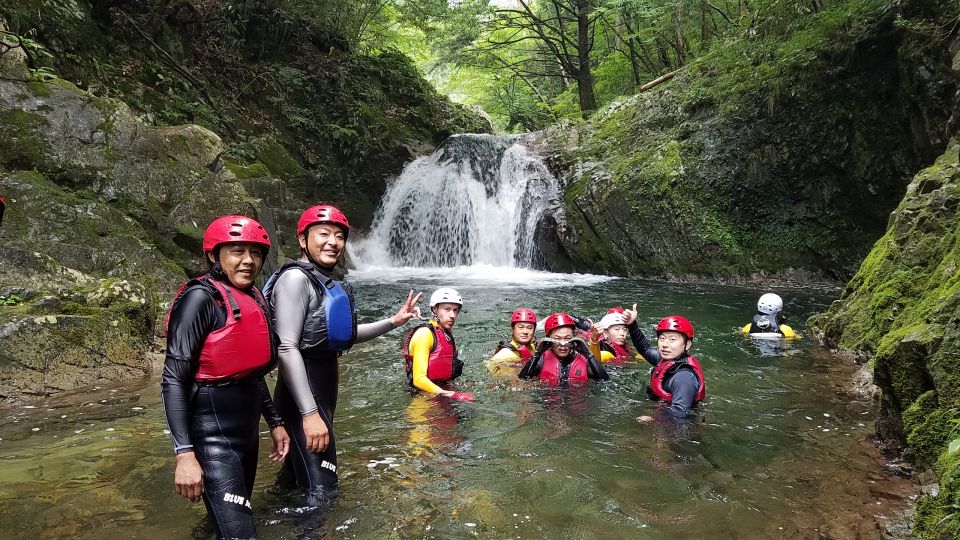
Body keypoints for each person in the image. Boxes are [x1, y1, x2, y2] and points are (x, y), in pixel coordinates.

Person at [266, 204, 422, 504]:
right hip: (304, 402)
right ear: (302, 239)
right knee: (323, 495)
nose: (333, 242)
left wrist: (393, 321)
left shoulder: (324, 282)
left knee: (294, 488)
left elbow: (343, 337)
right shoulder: (296, 279)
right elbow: (287, 347)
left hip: (316, 398)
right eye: (323, 234)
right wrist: (310, 414)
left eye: (339, 236)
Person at [161, 215, 290, 539]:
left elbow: (250, 371)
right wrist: (185, 455)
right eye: (237, 251)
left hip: (245, 433)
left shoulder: (255, 297)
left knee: (227, 521)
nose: (248, 260)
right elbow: (174, 378)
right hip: (212, 436)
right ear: (213, 255)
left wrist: (274, 422)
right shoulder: (200, 299)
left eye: (256, 253)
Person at [626, 311, 706, 420]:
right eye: (662, 339)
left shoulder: (684, 377)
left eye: (672, 340)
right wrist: (632, 324)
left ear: (687, 344)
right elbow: (645, 349)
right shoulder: (664, 361)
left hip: (679, 430)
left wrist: (653, 418)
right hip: (664, 414)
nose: (665, 344)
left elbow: (681, 413)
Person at [402, 287, 474, 401]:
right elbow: (419, 379)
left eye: (456, 310)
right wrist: (452, 394)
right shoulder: (425, 334)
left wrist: (458, 386)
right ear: (435, 309)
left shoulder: (445, 334)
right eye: (447, 309)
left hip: (441, 394)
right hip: (422, 399)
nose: (452, 315)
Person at [518, 312, 609, 384]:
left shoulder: (583, 359)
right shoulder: (542, 359)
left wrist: (589, 355)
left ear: (574, 338)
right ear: (549, 339)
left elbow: (603, 382)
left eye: (567, 338)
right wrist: (536, 355)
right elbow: (523, 380)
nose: (562, 344)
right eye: (557, 339)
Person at [487, 307, 537, 376]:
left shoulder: (535, 347)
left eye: (529, 328)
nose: (525, 332)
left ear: (534, 330)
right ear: (512, 329)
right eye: (521, 327)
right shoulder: (504, 355)